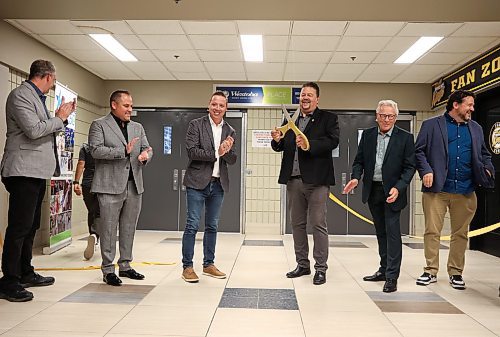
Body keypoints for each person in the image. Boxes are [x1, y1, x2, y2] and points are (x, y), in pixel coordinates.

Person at [0, 59, 75, 302]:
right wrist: (60, 118)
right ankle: (9, 281)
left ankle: (25, 271)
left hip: (36, 171)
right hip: (22, 170)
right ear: (48, 77)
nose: (52, 85)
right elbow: (33, 130)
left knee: (31, 225)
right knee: (19, 227)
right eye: (53, 81)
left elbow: (44, 128)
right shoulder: (21, 95)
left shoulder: (38, 99)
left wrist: (57, 120)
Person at [415, 89, 494, 290]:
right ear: (455, 105)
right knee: (432, 231)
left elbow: (484, 154)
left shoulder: (475, 128)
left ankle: (456, 272)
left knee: (460, 234)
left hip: (466, 189)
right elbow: (419, 152)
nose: (472, 109)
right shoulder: (431, 125)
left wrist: (488, 169)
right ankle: (430, 270)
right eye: (469, 104)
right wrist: (426, 170)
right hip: (437, 190)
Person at [343, 100, 416, 293]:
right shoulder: (367, 136)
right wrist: (356, 178)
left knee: (392, 234)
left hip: (393, 192)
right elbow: (359, 161)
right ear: (377, 116)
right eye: (383, 115)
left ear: (395, 117)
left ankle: (392, 276)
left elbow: (410, 167)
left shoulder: (405, 138)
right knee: (381, 232)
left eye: (390, 116)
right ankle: (383, 269)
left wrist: (399, 187)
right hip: (373, 190)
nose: (386, 119)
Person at [271, 82, 339, 285]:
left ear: (317, 99)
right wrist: (276, 140)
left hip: (317, 181)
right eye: (302, 95)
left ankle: (321, 268)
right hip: (293, 181)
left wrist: (309, 144)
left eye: (309, 95)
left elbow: (332, 142)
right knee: (297, 225)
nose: (305, 98)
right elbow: (283, 146)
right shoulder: (290, 118)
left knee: (318, 224)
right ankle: (303, 265)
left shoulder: (329, 118)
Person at [89, 90, 152, 286]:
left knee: (128, 228)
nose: (130, 110)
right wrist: (122, 152)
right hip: (109, 185)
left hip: (134, 186)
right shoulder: (99, 125)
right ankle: (108, 270)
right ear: (114, 105)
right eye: (126, 106)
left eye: (131, 106)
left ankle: (125, 265)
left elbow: (147, 148)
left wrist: (146, 156)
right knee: (108, 229)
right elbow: (95, 150)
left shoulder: (137, 127)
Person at [181, 91, 237, 283]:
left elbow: (233, 159)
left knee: (212, 226)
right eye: (214, 104)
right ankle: (187, 267)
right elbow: (192, 151)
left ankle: (208, 265)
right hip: (197, 183)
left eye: (221, 105)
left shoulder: (230, 130)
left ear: (226, 109)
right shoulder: (196, 125)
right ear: (209, 105)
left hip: (218, 184)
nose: (217, 108)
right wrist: (217, 152)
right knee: (192, 225)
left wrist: (227, 152)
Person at [73, 143, 100, 260]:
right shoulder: (103, 147)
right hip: (101, 183)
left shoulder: (85, 147)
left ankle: (92, 234)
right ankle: (96, 235)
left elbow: (81, 163)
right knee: (99, 212)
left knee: (91, 211)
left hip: (87, 184)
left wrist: (76, 182)